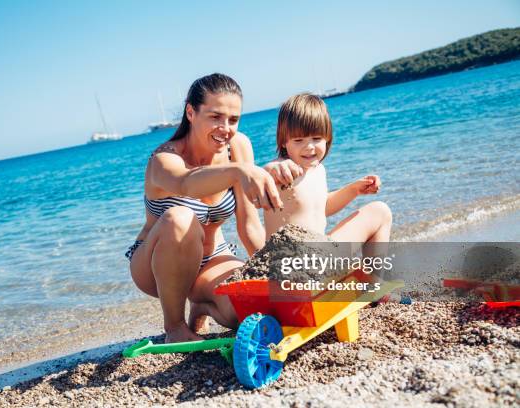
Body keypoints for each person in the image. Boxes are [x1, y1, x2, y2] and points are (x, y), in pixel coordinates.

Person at [126, 73, 283, 342]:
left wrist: (270, 274)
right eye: (215, 117)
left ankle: (200, 303)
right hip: (155, 266)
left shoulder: (238, 147)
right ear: (191, 112)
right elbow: (187, 183)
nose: (226, 128)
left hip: (213, 258)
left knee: (248, 311)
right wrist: (239, 171)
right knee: (180, 218)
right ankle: (174, 327)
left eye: (233, 120)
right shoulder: (164, 160)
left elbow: (249, 225)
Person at [264, 93, 392, 251]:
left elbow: (321, 208)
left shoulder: (318, 170)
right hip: (290, 260)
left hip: (319, 255)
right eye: (298, 140)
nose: (309, 146)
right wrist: (272, 169)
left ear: (327, 138)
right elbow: (263, 175)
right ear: (284, 141)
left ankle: (373, 276)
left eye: (316, 138)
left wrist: (353, 189)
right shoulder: (283, 170)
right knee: (380, 210)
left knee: (380, 211)